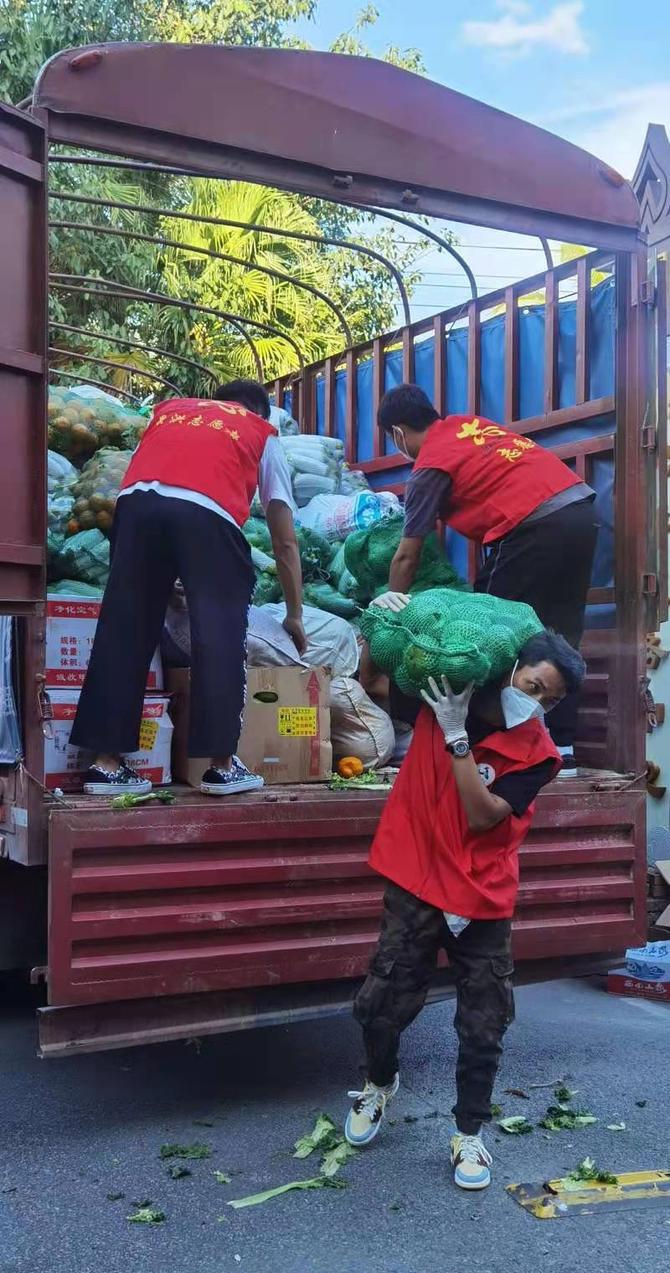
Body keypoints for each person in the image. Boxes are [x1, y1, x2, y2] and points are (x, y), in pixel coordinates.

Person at [344, 627, 585, 1191]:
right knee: (382, 1002)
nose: (537, 702)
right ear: (511, 669)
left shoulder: (538, 756)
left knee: (484, 1021)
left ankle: (469, 1132)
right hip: (419, 877)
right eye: (533, 685)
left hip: (482, 894)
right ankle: (379, 1085)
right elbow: (378, 671)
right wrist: (388, 607)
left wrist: (456, 739)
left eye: (550, 699)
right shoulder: (444, 693)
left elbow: (482, 816)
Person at [70, 379, 306, 798]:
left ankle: (105, 765)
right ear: (261, 413)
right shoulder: (260, 432)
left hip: (135, 506)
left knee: (125, 629)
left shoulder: (172, 413)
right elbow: (284, 540)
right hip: (207, 514)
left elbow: (162, 487)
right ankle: (220, 766)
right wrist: (295, 614)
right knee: (218, 632)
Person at [377, 384, 598, 774]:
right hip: (579, 511)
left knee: (486, 634)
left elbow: (407, 554)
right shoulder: (467, 427)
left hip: (533, 524)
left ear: (397, 432)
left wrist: (391, 610)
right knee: (560, 635)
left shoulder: (430, 465)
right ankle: (562, 750)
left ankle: (482, 747)